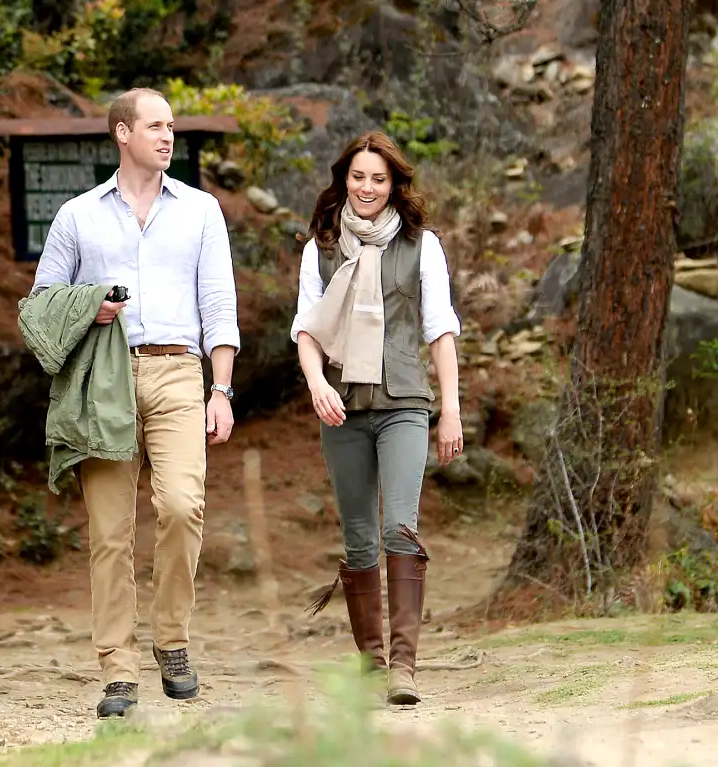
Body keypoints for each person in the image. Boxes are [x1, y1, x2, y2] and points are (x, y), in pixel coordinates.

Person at [28, 87, 241, 719]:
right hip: (105, 379)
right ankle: (116, 668)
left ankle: (171, 639)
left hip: (180, 372)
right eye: (155, 126)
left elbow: (220, 306)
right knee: (110, 531)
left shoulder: (201, 211)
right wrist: (88, 308)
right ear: (123, 134)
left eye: (171, 126)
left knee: (182, 506)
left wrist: (221, 388)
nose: (167, 136)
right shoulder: (77, 216)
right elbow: (40, 304)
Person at [291, 131, 463, 707]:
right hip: (340, 407)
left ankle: (404, 668)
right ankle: (371, 663)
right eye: (358, 178)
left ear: (394, 185)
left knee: (399, 528)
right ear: (345, 180)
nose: (367, 188)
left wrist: (450, 411)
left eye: (379, 179)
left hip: (405, 405)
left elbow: (439, 328)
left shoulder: (422, 245)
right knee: (359, 537)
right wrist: (316, 384)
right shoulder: (320, 247)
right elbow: (307, 329)